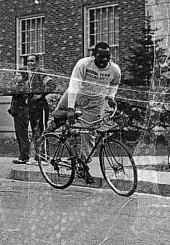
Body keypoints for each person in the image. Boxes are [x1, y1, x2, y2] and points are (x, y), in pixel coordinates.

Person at [54, 42, 122, 183]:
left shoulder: (114, 69)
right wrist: (71, 108)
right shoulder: (83, 64)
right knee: (58, 114)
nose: (104, 60)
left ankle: (82, 166)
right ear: (94, 55)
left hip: (95, 102)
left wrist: (110, 97)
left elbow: (114, 83)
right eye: (100, 56)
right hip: (77, 94)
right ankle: (50, 132)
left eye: (107, 56)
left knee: (88, 134)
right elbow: (74, 85)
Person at [11, 54, 55, 164]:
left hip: (40, 107)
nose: (30, 63)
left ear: (37, 62)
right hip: (31, 108)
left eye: (32, 61)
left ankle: (44, 156)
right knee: (35, 132)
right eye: (28, 61)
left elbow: (52, 85)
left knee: (41, 131)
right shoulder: (29, 75)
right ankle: (38, 156)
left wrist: (41, 95)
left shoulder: (41, 74)